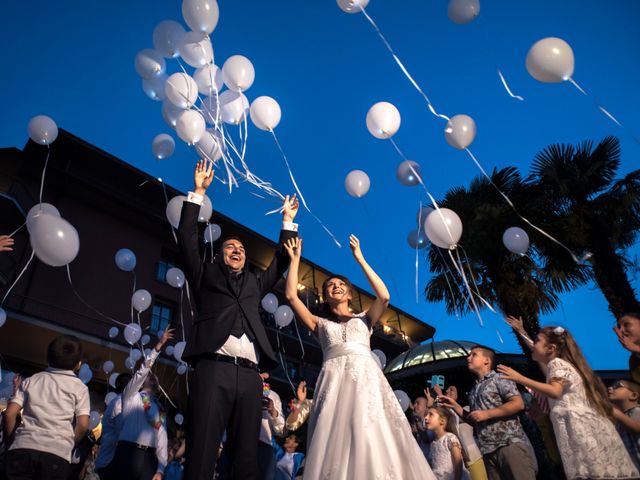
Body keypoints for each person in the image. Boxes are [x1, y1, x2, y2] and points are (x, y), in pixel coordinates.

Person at [179, 160, 299, 480]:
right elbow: (187, 239)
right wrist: (199, 193)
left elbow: (282, 260)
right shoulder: (205, 275)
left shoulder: (254, 284)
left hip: (250, 378)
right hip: (213, 367)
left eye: (242, 248)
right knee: (202, 449)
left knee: (246, 458)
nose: (237, 250)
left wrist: (287, 221)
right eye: (230, 246)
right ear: (219, 254)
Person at [283, 235, 436, 479]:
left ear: (350, 294)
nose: (336, 286)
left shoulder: (365, 318)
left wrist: (360, 258)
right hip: (333, 383)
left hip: (366, 381)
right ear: (325, 295)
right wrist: (295, 259)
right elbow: (291, 296)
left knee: (371, 431)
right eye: (330, 285)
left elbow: (384, 296)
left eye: (341, 284)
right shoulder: (319, 323)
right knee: (335, 436)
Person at [498, 326, 639, 479]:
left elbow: (555, 390)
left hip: (580, 429)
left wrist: (520, 378)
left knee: (592, 471)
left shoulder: (556, 364)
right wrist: (522, 333)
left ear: (551, 348)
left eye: (537, 341)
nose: (534, 345)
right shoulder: (558, 365)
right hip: (577, 427)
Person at [437, 346, 536, 480]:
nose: (468, 358)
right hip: (487, 452)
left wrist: (487, 414)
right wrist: (455, 406)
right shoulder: (473, 390)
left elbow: (518, 403)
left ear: (486, 361)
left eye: (474, 355)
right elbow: (474, 420)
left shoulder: (499, 378)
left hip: (509, 445)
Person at [3, 335, 90, 480]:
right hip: (57, 454)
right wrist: (69, 441)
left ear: (47, 358)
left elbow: (9, 414)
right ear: (78, 365)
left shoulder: (31, 380)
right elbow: (83, 424)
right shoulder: (79, 388)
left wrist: (11, 441)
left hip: (23, 448)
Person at [95, 327, 172, 479]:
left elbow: (162, 436)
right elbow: (142, 370)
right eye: (148, 375)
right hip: (127, 453)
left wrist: (161, 468)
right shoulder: (130, 396)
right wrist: (158, 347)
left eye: (154, 376)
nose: (152, 376)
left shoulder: (160, 408)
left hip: (149, 459)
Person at [425, 406, 470, 480]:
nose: (426, 417)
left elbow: (458, 462)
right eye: (426, 415)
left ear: (442, 421)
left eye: (431, 414)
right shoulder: (433, 443)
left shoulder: (450, 438)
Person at [609, 379, 640, 471]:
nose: (610, 388)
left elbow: (637, 427)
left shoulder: (637, 411)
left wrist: (616, 413)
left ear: (633, 395)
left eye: (617, 386)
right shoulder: (620, 419)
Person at [614, 313, 640, 383]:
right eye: (619, 327)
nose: (621, 330)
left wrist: (637, 348)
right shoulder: (633, 360)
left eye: (626, 325)